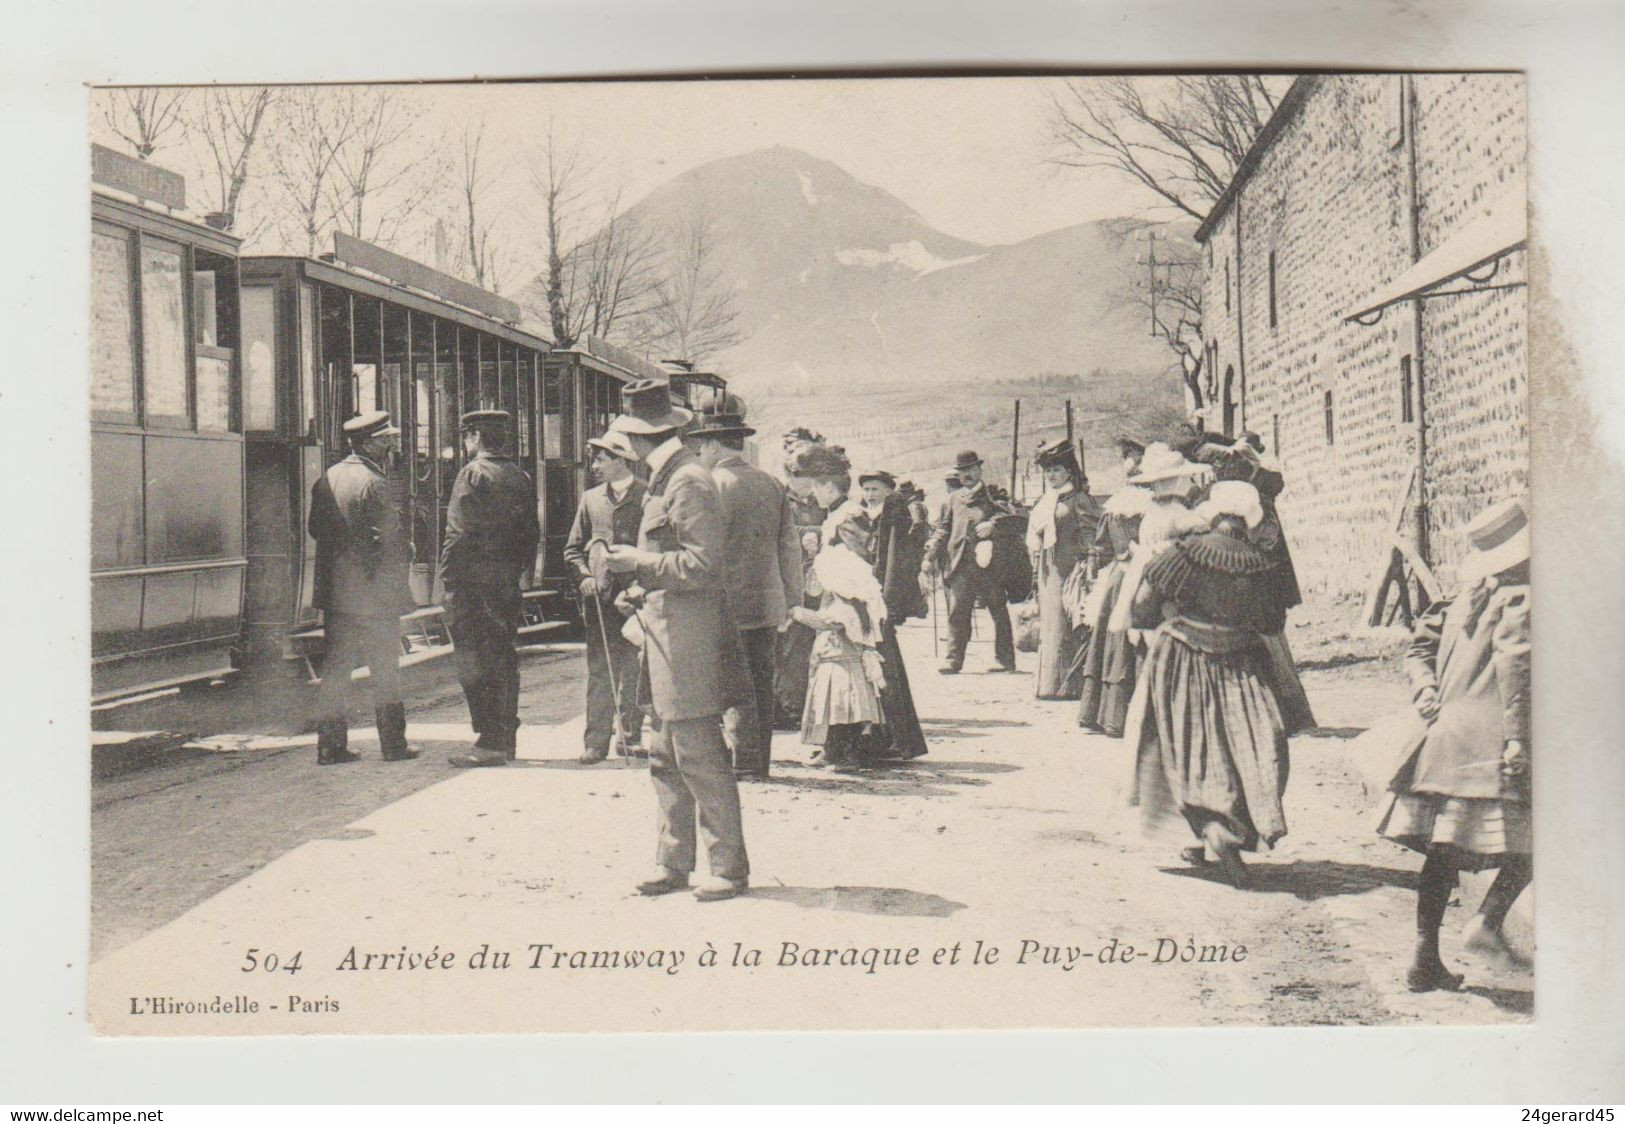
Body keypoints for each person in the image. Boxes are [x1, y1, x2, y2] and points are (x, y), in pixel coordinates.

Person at [1376, 498, 1531, 992]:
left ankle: (1424, 957)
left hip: (1446, 737)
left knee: (1443, 852)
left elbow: (1418, 646)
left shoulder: (1464, 597)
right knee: (1542, 839)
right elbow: (1518, 673)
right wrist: (1518, 739)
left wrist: (1424, 688)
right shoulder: (1523, 599)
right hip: (1493, 739)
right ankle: (1487, 921)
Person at [604, 380, 749, 902]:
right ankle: (673, 862)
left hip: (687, 644)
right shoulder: (670, 478)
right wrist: (641, 589)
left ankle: (728, 868)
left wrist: (637, 563)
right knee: (664, 753)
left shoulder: (685, 481)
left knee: (699, 754)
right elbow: (679, 562)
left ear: (638, 440)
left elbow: (703, 566)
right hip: (665, 637)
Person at [1128, 480, 1293, 890]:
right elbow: (1272, 623)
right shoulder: (1261, 565)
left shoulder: (1181, 555)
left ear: (1211, 514)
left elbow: (1141, 611)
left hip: (1180, 656)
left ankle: (1204, 829)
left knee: (1180, 744)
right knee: (1245, 745)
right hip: (1240, 660)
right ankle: (1226, 828)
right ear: (1249, 521)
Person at [689, 405, 803, 779]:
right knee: (759, 682)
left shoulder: (710, 486)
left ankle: (740, 763)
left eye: (701, 445)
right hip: (767, 604)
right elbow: (789, 547)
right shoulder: (772, 485)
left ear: (714, 446)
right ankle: (758, 762)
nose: (700, 454)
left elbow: (705, 551)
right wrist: (792, 598)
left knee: (727, 684)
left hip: (723, 604)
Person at [308, 411, 417, 765]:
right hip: (374, 597)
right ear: (371, 443)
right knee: (384, 669)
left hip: (337, 595)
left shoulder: (328, 477)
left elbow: (314, 529)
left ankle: (330, 747)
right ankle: (393, 745)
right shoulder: (375, 482)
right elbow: (391, 540)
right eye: (387, 439)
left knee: (335, 671)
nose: (392, 444)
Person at [439, 411, 542, 768]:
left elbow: (458, 534)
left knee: (472, 660)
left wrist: (447, 580)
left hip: (472, 585)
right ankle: (505, 738)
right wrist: (515, 571)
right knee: (503, 656)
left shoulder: (472, 474)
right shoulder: (519, 475)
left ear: (475, 437)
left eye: (467, 436)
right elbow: (532, 534)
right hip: (505, 581)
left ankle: (489, 740)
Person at [1195, 438, 1315, 733]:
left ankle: (1276, 716)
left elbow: (1267, 539)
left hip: (1246, 582)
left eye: (1220, 466)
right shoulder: (1249, 497)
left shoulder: (1248, 498)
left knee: (1261, 648)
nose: (1217, 471)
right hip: (1252, 580)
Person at [563, 428, 647, 765]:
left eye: (601, 459)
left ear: (621, 460)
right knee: (600, 670)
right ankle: (595, 743)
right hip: (598, 599)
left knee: (634, 669)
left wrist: (643, 585)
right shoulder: (591, 499)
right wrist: (583, 575)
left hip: (635, 599)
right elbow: (572, 550)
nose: (595, 465)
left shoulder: (647, 497)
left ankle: (629, 739)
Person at [795, 512, 891, 772]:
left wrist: (798, 614)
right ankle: (832, 748)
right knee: (830, 708)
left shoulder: (850, 602)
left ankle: (850, 753)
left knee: (846, 709)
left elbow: (831, 622)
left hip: (843, 660)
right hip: (830, 657)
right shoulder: (836, 589)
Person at [1078, 438, 1148, 733]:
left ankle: (1106, 716)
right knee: (1139, 644)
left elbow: (1101, 548)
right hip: (1146, 578)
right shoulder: (1154, 508)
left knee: (1112, 646)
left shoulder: (1114, 508)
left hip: (1119, 579)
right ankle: (1135, 718)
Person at [925, 450, 1018, 675]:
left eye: (970, 470)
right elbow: (943, 527)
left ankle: (1005, 660)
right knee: (958, 611)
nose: (966, 475)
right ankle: (953, 660)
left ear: (979, 470)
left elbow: (1015, 517)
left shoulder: (994, 494)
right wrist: (930, 553)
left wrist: (993, 524)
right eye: (962, 472)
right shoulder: (952, 499)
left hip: (989, 565)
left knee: (997, 609)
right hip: (960, 564)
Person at [1026, 439, 1101, 701]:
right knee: (1050, 625)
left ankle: (1069, 685)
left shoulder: (1080, 499)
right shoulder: (1047, 500)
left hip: (1072, 568)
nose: (1051, 476)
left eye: (1056, 470)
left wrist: (1090, 565)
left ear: (1069, 471)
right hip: (1050, 568)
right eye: (1047, 471)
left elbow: (1092, 535)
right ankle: (1048, 684)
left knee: (1066, 625)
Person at [774, 434, 836, 730]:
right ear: (789, 474)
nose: (808, 483)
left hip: (818, 579)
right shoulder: (777, 497)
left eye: (812, 477)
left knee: (812, 643)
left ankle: (808, 705)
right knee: (788, 645)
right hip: (787, 579)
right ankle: (788, 706)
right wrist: (803, 537)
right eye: (802, 477)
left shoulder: (822, 501)